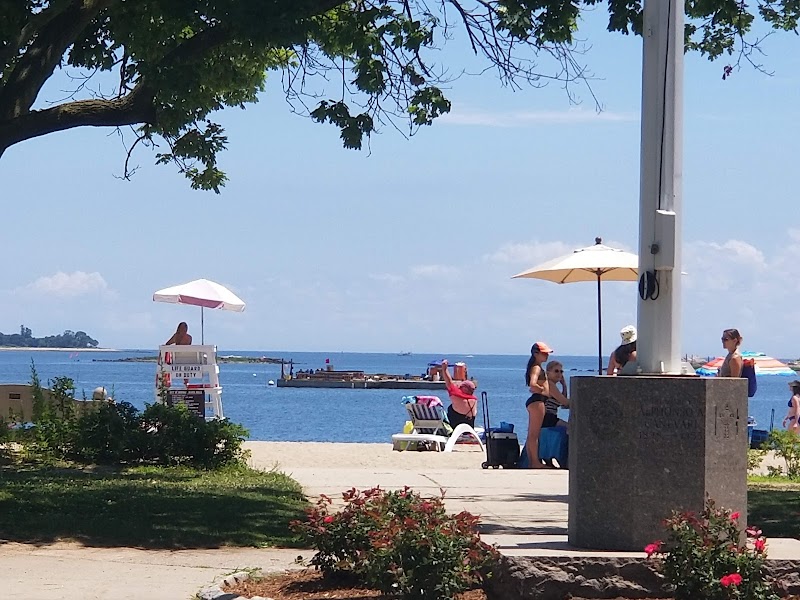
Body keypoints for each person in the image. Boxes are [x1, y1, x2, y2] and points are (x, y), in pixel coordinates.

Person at [524, 341, 554, 469]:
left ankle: (532, 462)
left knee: (532, 434)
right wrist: (541, 389)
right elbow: (532, 384)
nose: (547, 356)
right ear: (536, 354)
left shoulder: (536, 366)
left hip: (537, 401)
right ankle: (535, 462)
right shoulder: (536, 367)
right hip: (538, 401)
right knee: (534, 435)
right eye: (544, 353)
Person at [440, 359, 477, 429]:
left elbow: (449, 382)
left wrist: (444, 369)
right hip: (469, 429)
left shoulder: (456, 396)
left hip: (454, 430)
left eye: (461, 387)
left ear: (465, 389)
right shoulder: (474, 400)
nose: (459, 388)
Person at [543, 361, 569, 428]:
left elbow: (563, 404)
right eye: (556, 371)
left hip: (551, 418)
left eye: (561, 372)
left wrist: (564, 385)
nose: (559, 374)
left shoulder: (551, 385)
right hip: (547, 418)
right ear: (548, 373)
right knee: (573, 428)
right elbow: (565, 402)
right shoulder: (549, 385)